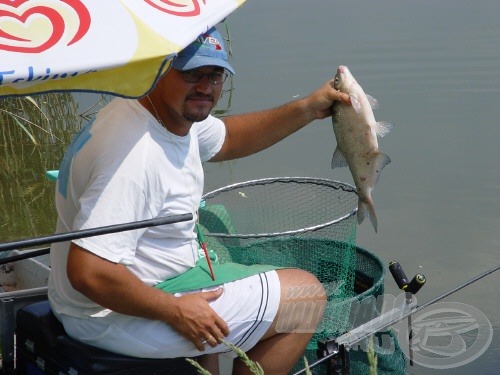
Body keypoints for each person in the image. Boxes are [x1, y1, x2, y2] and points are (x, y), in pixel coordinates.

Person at [48, 26, 350, 375]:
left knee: (217, 317)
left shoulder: (155, 111)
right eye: (191, 73)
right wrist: (176, 310)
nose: (206, 87)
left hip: (149, 283)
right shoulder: (135, 156)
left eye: (215, 75)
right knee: (306, 297)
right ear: (159, 70)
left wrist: (307, 109)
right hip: (105, 316)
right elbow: (89, 271)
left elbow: (228, 139)